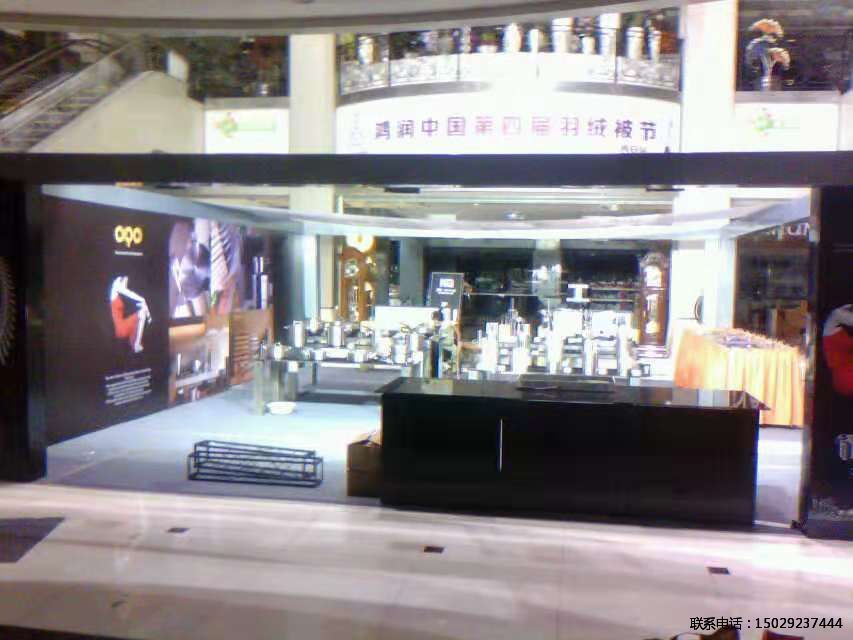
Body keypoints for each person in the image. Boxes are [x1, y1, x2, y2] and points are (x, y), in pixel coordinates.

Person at [109, 276, 150, 353]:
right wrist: (142, 299)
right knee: (142, 313)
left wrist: (148, 314)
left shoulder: (117, 295)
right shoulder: (115, 286)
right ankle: (136, 344)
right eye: (125, 283)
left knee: (142, 311)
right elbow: (127, 292)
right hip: (120, 328)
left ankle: (135, 343)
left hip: (122, 326)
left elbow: (128, 293)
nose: (125, 286)